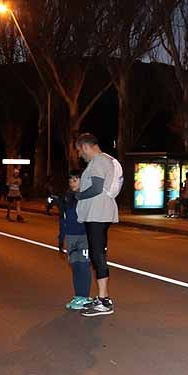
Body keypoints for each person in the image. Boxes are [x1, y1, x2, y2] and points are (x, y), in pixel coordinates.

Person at [74, 133, 124, 317]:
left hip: (98, 213)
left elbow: (96, 187)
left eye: (79, 150)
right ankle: (102, 297)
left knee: (98, 255)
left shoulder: (97, 162)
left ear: (86, 147)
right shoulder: (105, 160)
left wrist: (79, 195)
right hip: (99, 213)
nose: (80, 155)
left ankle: (104, 300)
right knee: (98, 253)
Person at [57, 171, 93, 310]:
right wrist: (61, 238)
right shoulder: (67, 197)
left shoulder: (87, 197)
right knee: (75, 267)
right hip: (71, 236)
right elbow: (63, 218)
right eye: (71, 180)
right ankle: (78, 296)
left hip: (84, 236)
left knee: (83, 266)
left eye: (76, 180)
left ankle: (84, 297)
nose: (73, 183)